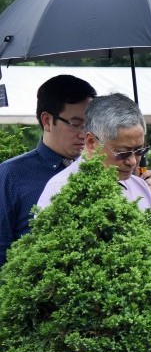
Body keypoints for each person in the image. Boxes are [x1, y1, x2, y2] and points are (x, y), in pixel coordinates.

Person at [37, 93, 151, 238]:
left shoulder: (141, 188)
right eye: (122, 153)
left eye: (139, 150)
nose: (133, 161)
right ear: (91, 142)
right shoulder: (59, 190)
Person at [0, 75, 96, 266]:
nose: (85, 134)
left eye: (90, 124)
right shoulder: (10, 175)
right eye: (76, 124)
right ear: (47, 120)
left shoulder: (101, 170)